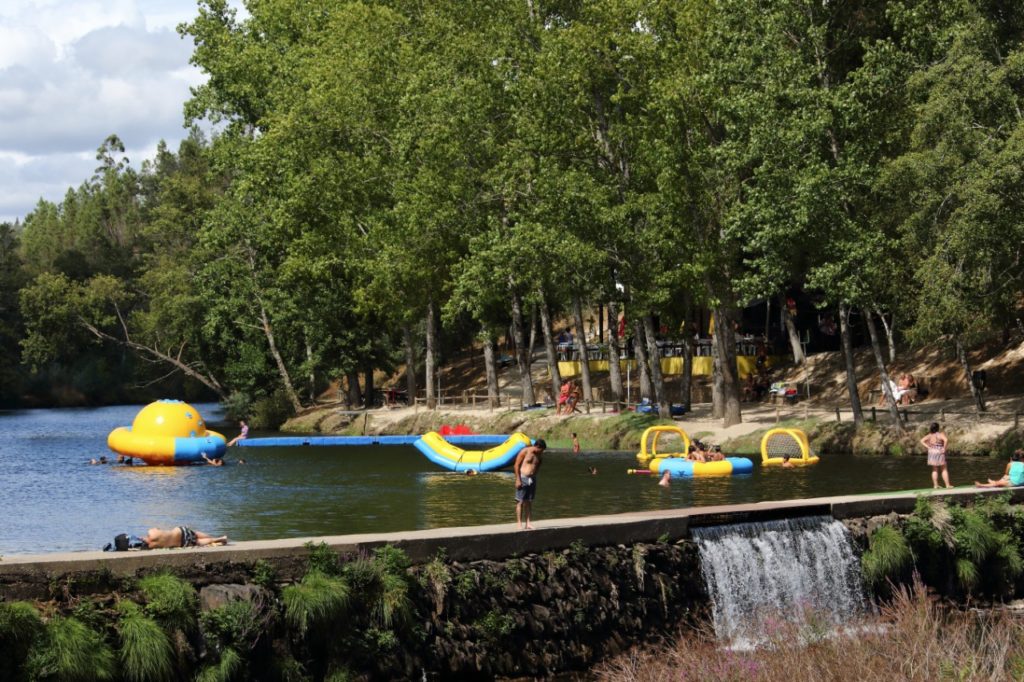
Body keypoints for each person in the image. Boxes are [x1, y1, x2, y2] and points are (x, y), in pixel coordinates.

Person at [514, 438, 546, 530]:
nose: (542, 452)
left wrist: (534, 476)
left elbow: (538, 465)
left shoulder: (539, 456)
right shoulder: (525, 451)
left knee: (528, 502)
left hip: (532, 480)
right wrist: (518, 479)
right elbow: (516, 465)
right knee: (520, 501)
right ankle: (519, 524)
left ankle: (528, 523)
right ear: (537, 447)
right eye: (541, 450)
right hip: (522, 478)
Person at [921, 422, 952, 489]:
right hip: (939, 451)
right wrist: (944, 448)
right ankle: (947, 485)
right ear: (938, 428)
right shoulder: (940, 434)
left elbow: (922, 441)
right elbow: (946, 440)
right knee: (944, 469)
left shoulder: (929, 435)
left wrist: (928, 447)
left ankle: (935, 485)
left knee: (934, 469)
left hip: (931, 452)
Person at [142, 526, 228, 549]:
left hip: (182, 543)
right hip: (180, 532)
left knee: (198, 542)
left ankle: (218, 539)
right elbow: (156, 528)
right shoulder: (152, 532)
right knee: (196, 534)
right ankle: (218, 538)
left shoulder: (152, 546)